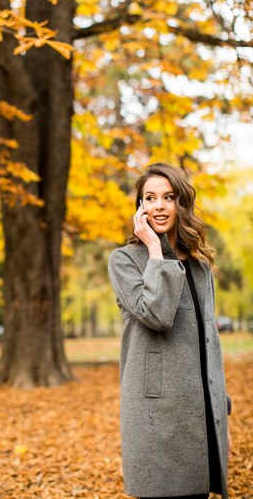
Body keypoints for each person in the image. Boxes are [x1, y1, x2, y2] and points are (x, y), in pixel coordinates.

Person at [108, 162, 232, 499]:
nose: (159, 206)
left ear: (181, 204)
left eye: (168, 197)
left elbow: (208, 341)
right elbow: (157, 315)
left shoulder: (200, 265)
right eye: (150, 198)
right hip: (155, 415)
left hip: (200, 413)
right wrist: (154, 251)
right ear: (140, 206)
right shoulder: (124, 261)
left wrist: (219, 405)